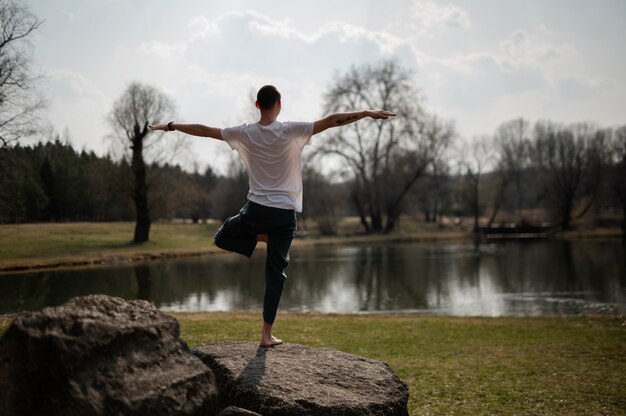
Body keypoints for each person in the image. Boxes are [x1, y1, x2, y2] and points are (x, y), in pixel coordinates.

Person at [149, 85, 395, 347]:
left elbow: (204, 130)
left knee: (221, 237)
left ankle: (258, 236)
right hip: (285, 216)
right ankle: (266, 334)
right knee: (275, 273)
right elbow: (332, 120)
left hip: (256, 211)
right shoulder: (292, 130)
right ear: (279, 104)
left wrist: (171, 125)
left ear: (257, 105)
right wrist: (366, 112)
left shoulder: (244, 133)